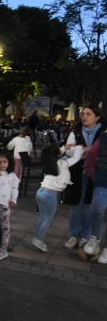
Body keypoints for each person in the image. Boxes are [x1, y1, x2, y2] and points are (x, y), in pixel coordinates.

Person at [62, 105, 103, 250]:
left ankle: (85, 237)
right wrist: (83, 149)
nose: (84, 117)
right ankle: (73, 236)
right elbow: (68, 152)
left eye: (88, 114)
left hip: (95, 174)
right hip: (77, 173)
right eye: (82, 114)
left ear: (97, 116)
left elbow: (102, 152)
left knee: (88, 207)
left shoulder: (102, 132)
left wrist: (81, 149)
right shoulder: (76, 131)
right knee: (75, 206)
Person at [32, 144, 83, 252]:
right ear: (56, 155)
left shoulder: (48, 163)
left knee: (42, 217)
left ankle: (37, 237)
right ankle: (38, 239)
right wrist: (79, 148)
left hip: (41, 192)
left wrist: (64, 147)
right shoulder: (62, 163)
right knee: (47, 219)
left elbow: (52, 153)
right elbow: (76, 158)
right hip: (50, 195)